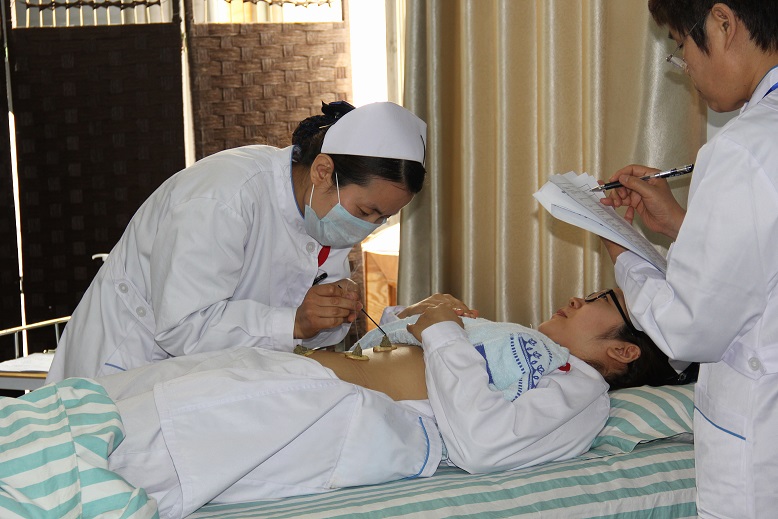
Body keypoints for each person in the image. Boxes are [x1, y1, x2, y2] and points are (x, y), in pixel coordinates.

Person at [68, 287, 676, 518]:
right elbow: (407, 341)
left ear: (624, 351)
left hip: (325, 411)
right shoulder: (527, 342)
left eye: (601, 299)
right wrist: (424, 317)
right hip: (301, 374)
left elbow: (484, 445)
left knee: (151, 442)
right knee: (133, 400)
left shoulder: (581, 391)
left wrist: (443, 332)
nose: (578, 298)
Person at [46, 100, 427, 383]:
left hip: (207, 377)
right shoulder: (223, 197)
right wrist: (295, 321)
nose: (368, 227)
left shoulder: (324, 214)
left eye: (382, 218)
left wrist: (329, 313)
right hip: (127, 365)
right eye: (366, 211)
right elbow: (183, 327)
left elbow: (301, 328)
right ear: (323, 171)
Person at [598, 2, 778, 517]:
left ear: (723, 22)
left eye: (681, 46)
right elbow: (761, 261)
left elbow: (688, 329)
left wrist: (624, 251)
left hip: (758, 452)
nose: (687, 67)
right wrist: (682, 225)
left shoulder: (743, 147)